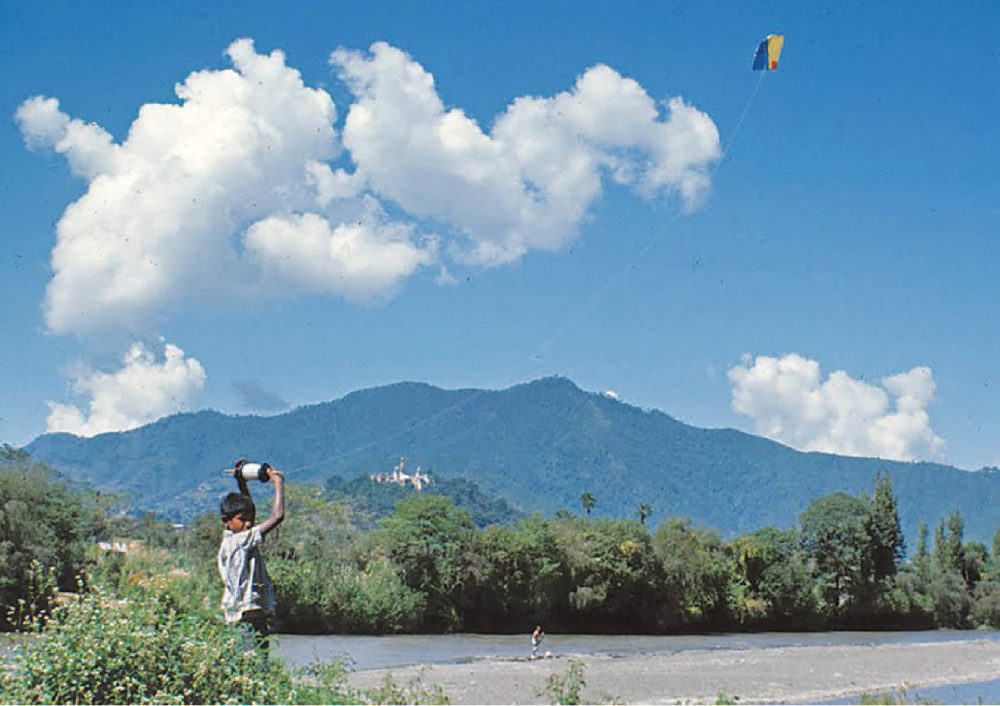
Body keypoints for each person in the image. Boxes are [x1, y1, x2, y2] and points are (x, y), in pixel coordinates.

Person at [218, 459, 285, 663]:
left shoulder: (235, 536)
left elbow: (250, 509)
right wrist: (277, 483)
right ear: (227, 521)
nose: (248, 524)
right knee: (253, 667)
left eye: (250, 518)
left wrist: (242, 483)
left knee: (253, 666)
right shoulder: (239, 541)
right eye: (241, 519)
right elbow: (277, 516)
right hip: (244, 616)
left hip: (251, 613)